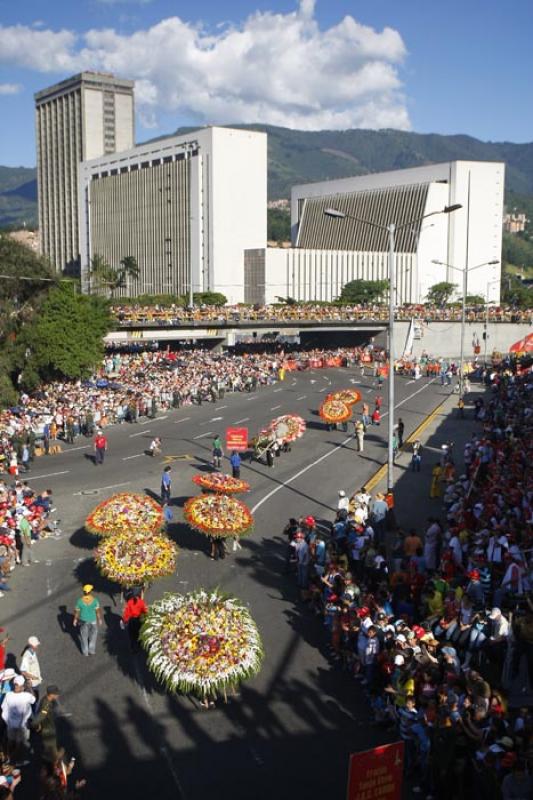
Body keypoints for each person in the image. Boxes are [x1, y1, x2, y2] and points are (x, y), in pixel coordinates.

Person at [1, 674, 35, 764]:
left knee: (10, 740)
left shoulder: (8, 695)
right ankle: (12, 759)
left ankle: (7, 756)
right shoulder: (26, 696)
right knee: (19, 743)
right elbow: (34, 700)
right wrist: (30, 687)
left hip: (10, 725)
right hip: (22, 726)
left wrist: (8, 722)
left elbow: (3, 709)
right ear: (22, 686)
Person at [33, 685, 61, 763]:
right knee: (50, 746)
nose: (58, 695)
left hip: (48, 726)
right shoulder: (46, 705)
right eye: (56, 694)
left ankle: (53, 757)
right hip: (47, 729)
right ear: (51, 694)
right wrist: (35, 725)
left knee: (51, 745)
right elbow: (39, 717)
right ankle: (53, 762)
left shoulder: (45, 699)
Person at [73, 585, 103, 657]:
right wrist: (99, 619)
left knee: (84, 636)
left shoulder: (79, 601)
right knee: (93, 634)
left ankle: (85, 652)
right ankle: (91, 650)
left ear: (84, 592)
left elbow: (77, 612)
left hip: (83, 620)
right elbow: (97, 611)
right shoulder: (95, 600)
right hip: (93, 620)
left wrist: (75, 620)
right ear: (90, 592)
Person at [20, 636, 42, 702]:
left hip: (36, 680)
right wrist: (33, 677)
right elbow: (23, 671)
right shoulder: (26, 656)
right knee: (34, 699)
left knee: (36, 697)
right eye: (36, 645)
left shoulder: (33, 651)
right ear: (31, 645)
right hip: (32, 682)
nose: (37, 646)